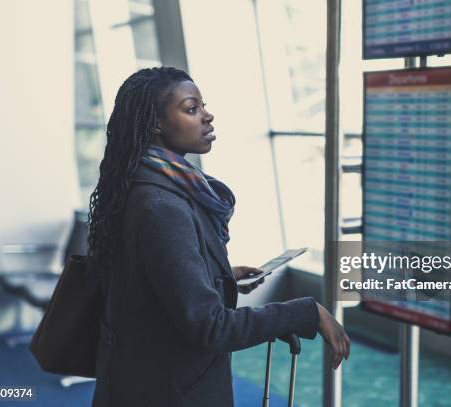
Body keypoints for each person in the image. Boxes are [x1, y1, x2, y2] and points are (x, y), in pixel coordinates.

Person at [88, 67, 350, 407]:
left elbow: (149, 283)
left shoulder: (143, 184)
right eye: (191, 108)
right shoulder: (161, 205)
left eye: (203, 105)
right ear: (155, 123)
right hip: (168, 390)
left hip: (141, 377)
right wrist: (306, 312)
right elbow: (210, 327)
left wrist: (218, 275)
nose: (208, 116)